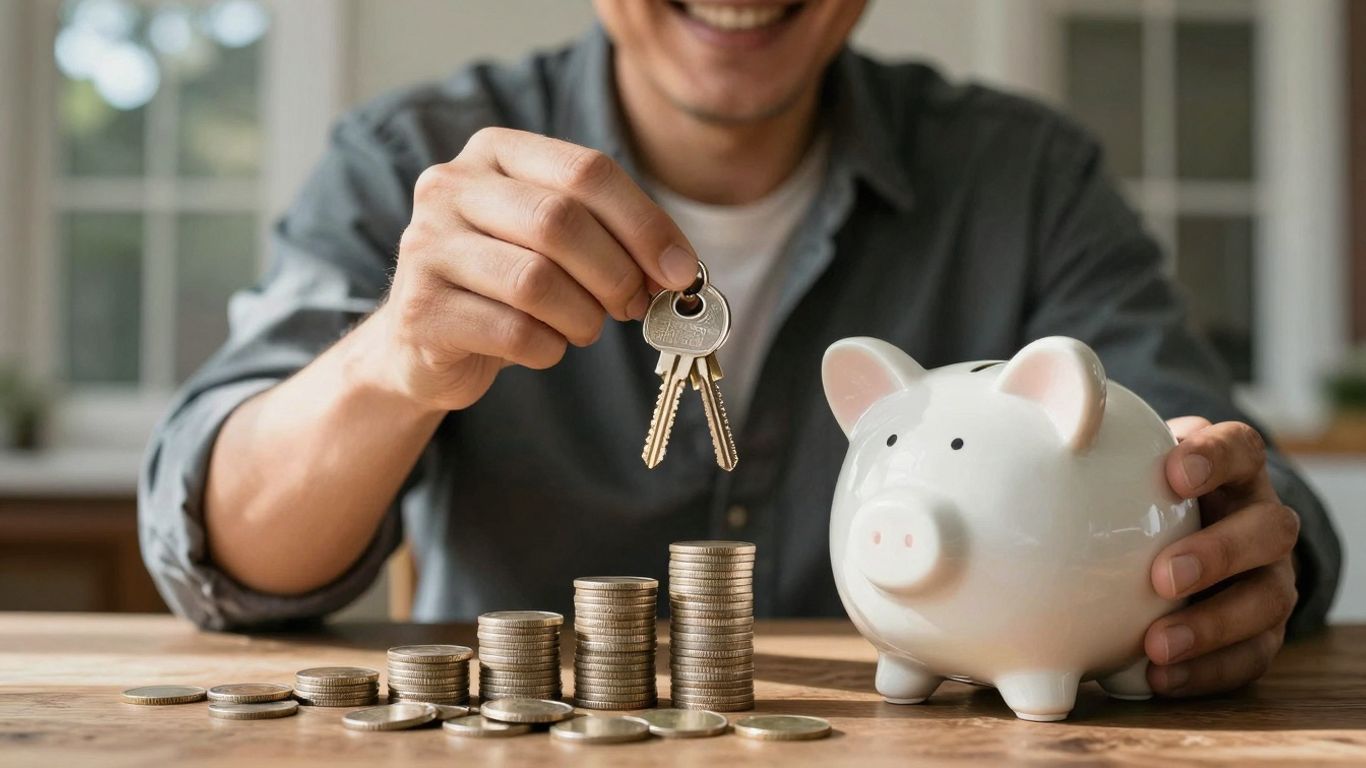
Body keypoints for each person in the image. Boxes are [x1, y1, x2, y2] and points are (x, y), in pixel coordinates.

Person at [140, 0, 1340, 701]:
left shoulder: (1026, 180)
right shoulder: (409, 157)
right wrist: (388, 361)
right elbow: (223, 549)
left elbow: (1224, 470)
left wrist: (1231, 541)